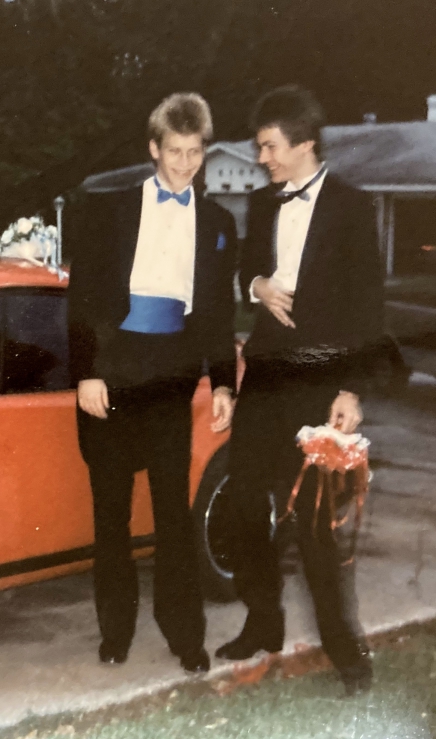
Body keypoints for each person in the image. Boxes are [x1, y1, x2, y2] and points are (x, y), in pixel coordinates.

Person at [215, 85, 385, 695]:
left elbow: (369, 305)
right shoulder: (263, 207)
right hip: (265, 374)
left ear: (305, 142)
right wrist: (258, 285)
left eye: (270, 146)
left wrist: (350, 388)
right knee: (240, 507)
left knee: (315, 527)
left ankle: (349, 656)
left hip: (318, 380)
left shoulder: (352, 206)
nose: (262, 157)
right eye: (260, 147)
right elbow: (245, 272)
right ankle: (264, 624)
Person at [67, 92, 238, 675]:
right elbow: (82, 299)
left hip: (171, 372)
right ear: (153, 149)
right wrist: (87, 372)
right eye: (174, 153)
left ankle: (185, 634)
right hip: (113, 369)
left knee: (174, 513)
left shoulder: (218, 223)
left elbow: (216, 313)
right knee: (111, 516)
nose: (185, 165)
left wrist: (223, 383)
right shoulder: (109, 210)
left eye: (195, 153)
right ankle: (115, 632)